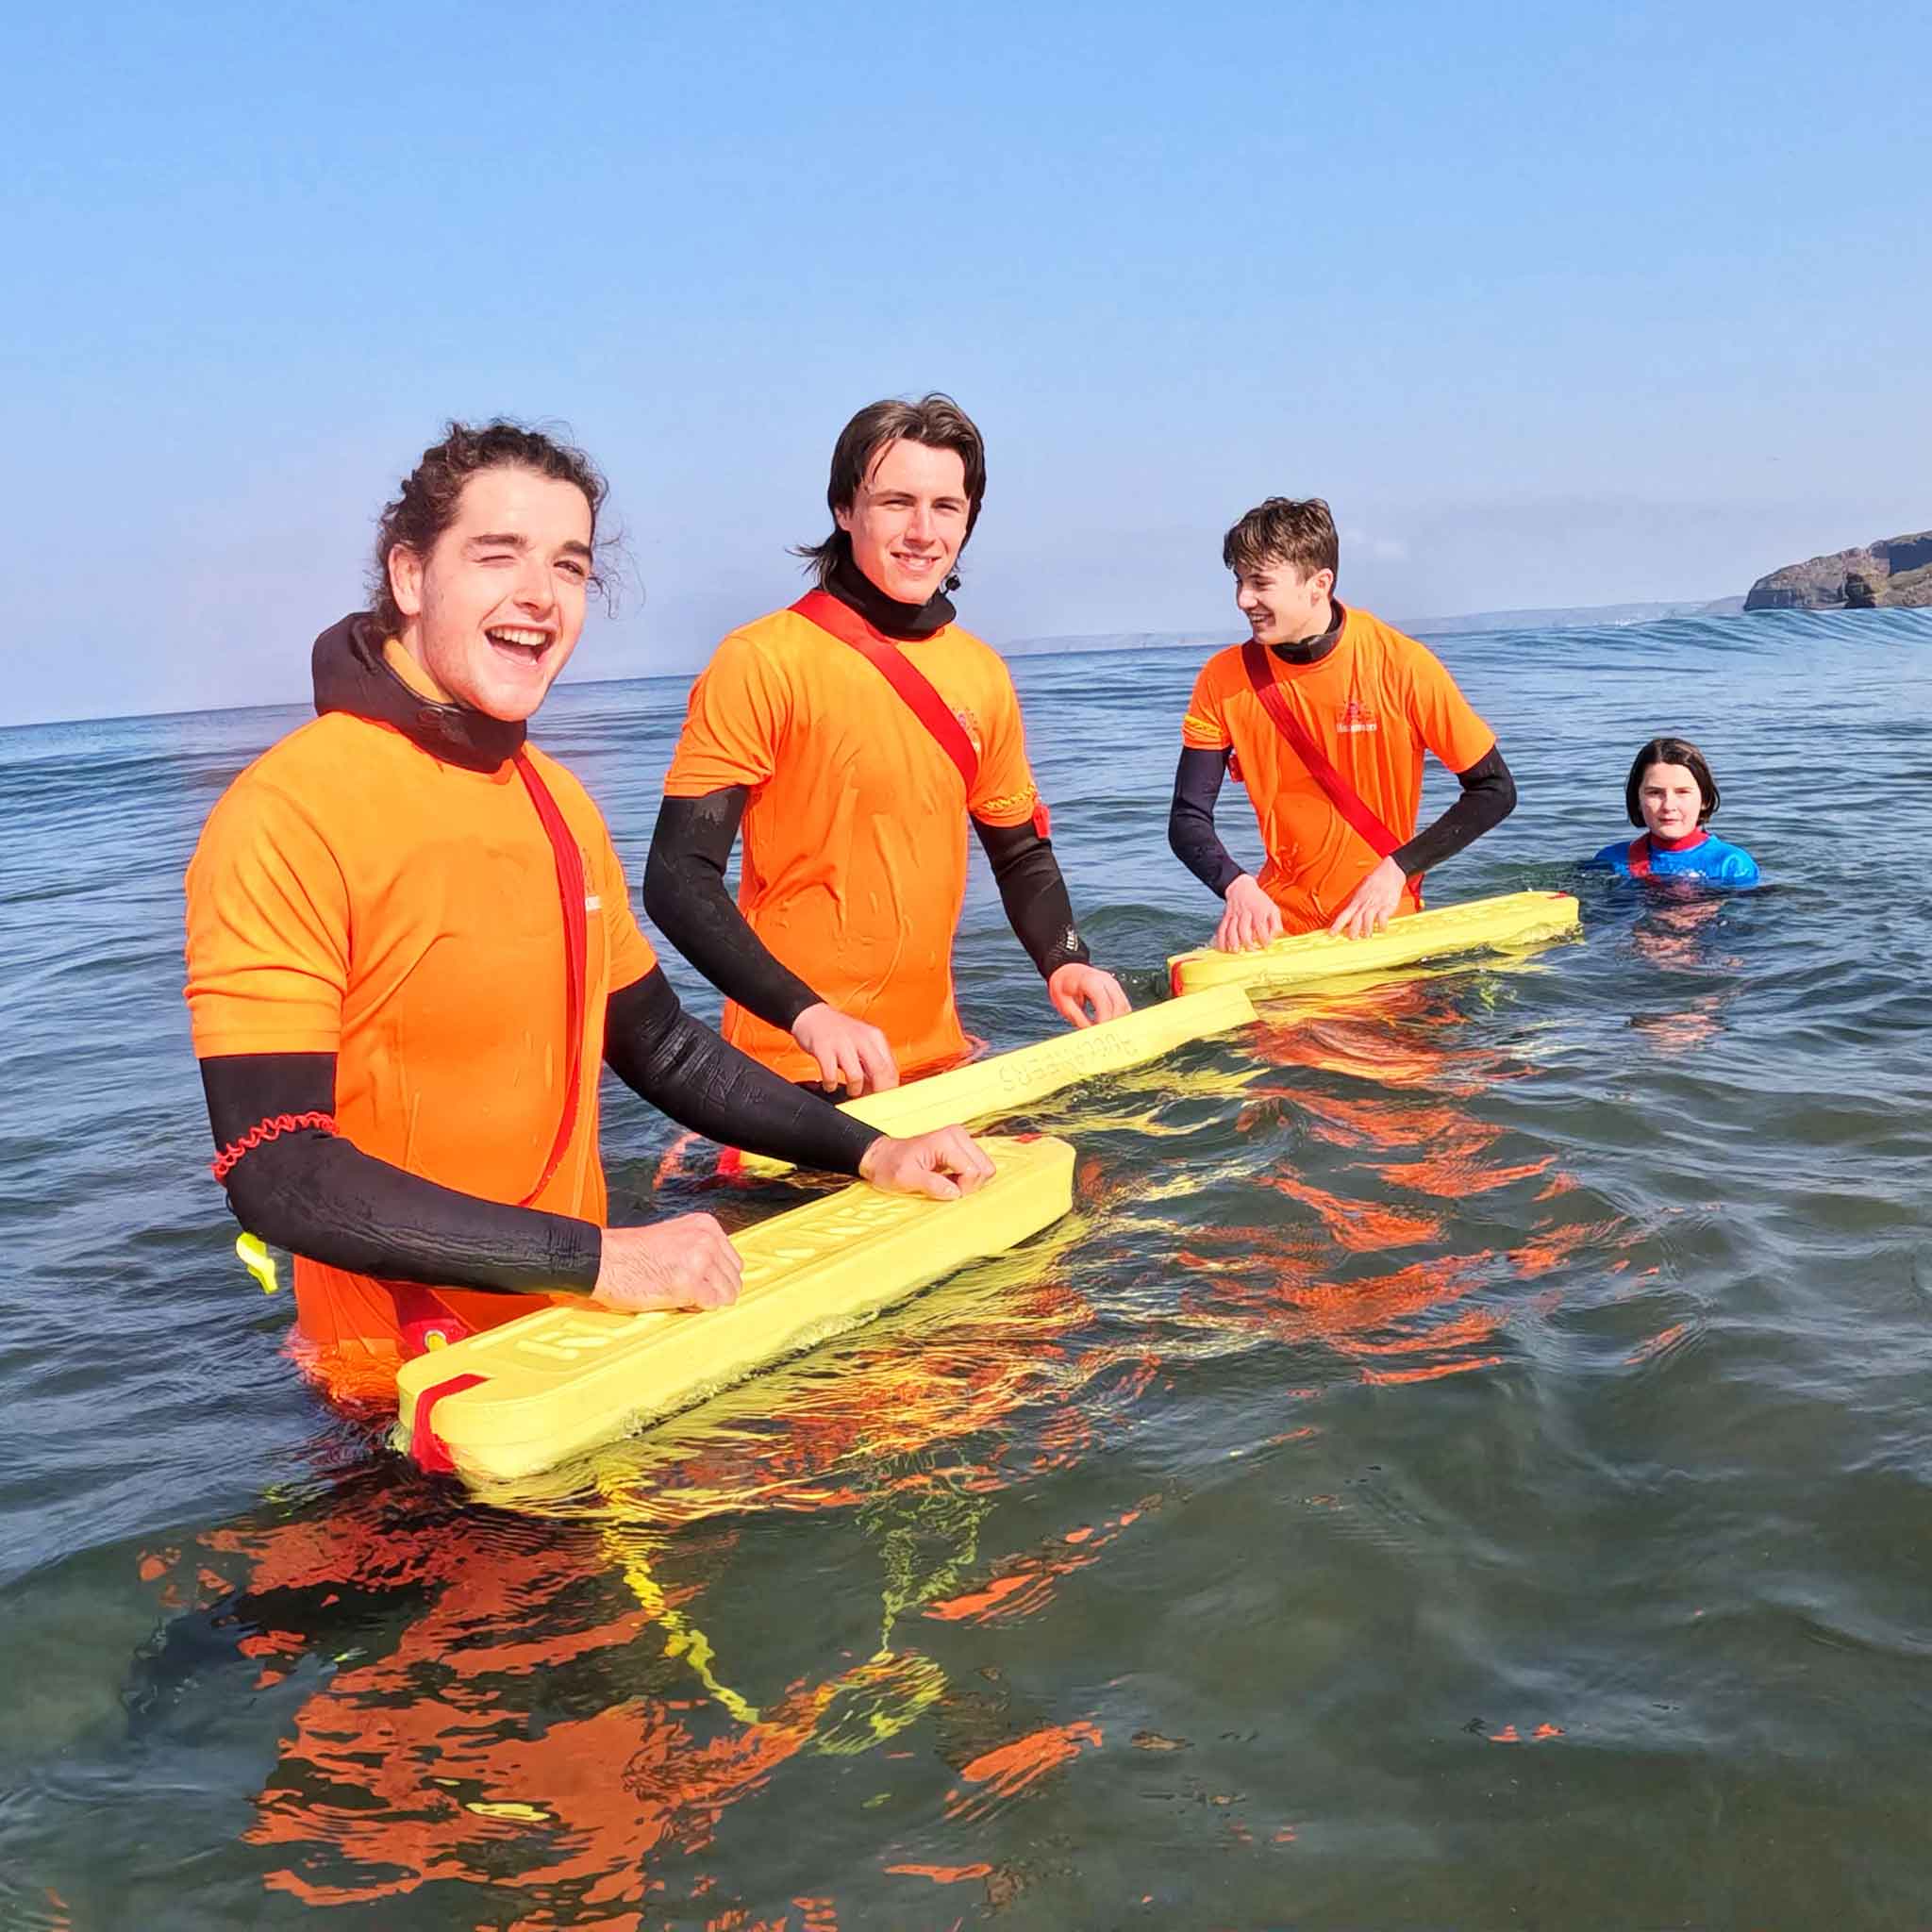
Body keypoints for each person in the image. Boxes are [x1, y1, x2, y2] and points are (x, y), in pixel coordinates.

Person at [183, 422, 993, 1406]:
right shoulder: (289, 811)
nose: (539, 593)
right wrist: (606, 1259)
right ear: (409, 573)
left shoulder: (555, 801)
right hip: (405, 1402)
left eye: (568, 565)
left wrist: (871, 1149)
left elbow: (660, 1045)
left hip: (582, 1356)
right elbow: (277, 1167)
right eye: (497, 555)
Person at [644, 393, 1128, 1099]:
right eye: (897, 502)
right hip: (795, 1073)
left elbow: (1020, 851)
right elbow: (677, 877)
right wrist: (808, 1016)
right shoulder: (761, 660)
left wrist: (1065, 959)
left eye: (946, 507)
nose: (923, 531)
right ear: (845, 509)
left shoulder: (981, 673)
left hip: (939, 1063)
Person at [1168, 496, 1516, 949]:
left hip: (1381, 926)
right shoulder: (1223, 679)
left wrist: (1397, 869)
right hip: (1276, 930)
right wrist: (1237, 887)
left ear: (1319, 583)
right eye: (1238, 582)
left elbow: (1495, 790)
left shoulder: (1401, 665)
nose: (1243, 600)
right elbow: (1187, 818)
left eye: (1260, 583)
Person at [1587, 736, 1759, 884]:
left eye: (1682, 792)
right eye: (1655, 793)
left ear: (1704, 800)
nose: (1668, 806)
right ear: (1638, 799)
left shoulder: (1731, 865)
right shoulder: (1610, 860)